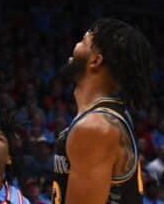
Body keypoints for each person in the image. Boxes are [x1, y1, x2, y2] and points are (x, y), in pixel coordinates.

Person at [52, 18, 155, 204]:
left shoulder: (95, 127)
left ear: (95, 61)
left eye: (83, 41)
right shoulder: (110, 117)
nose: (75, 45)